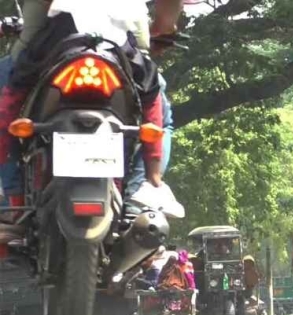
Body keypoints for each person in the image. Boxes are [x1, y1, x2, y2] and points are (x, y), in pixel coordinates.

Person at [0, 0, 187, 229]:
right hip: (117, 39)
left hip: (61, 35)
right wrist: (163, 25)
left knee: (11, 93)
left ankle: (14, 201)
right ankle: (148, 187)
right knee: (154, 100)